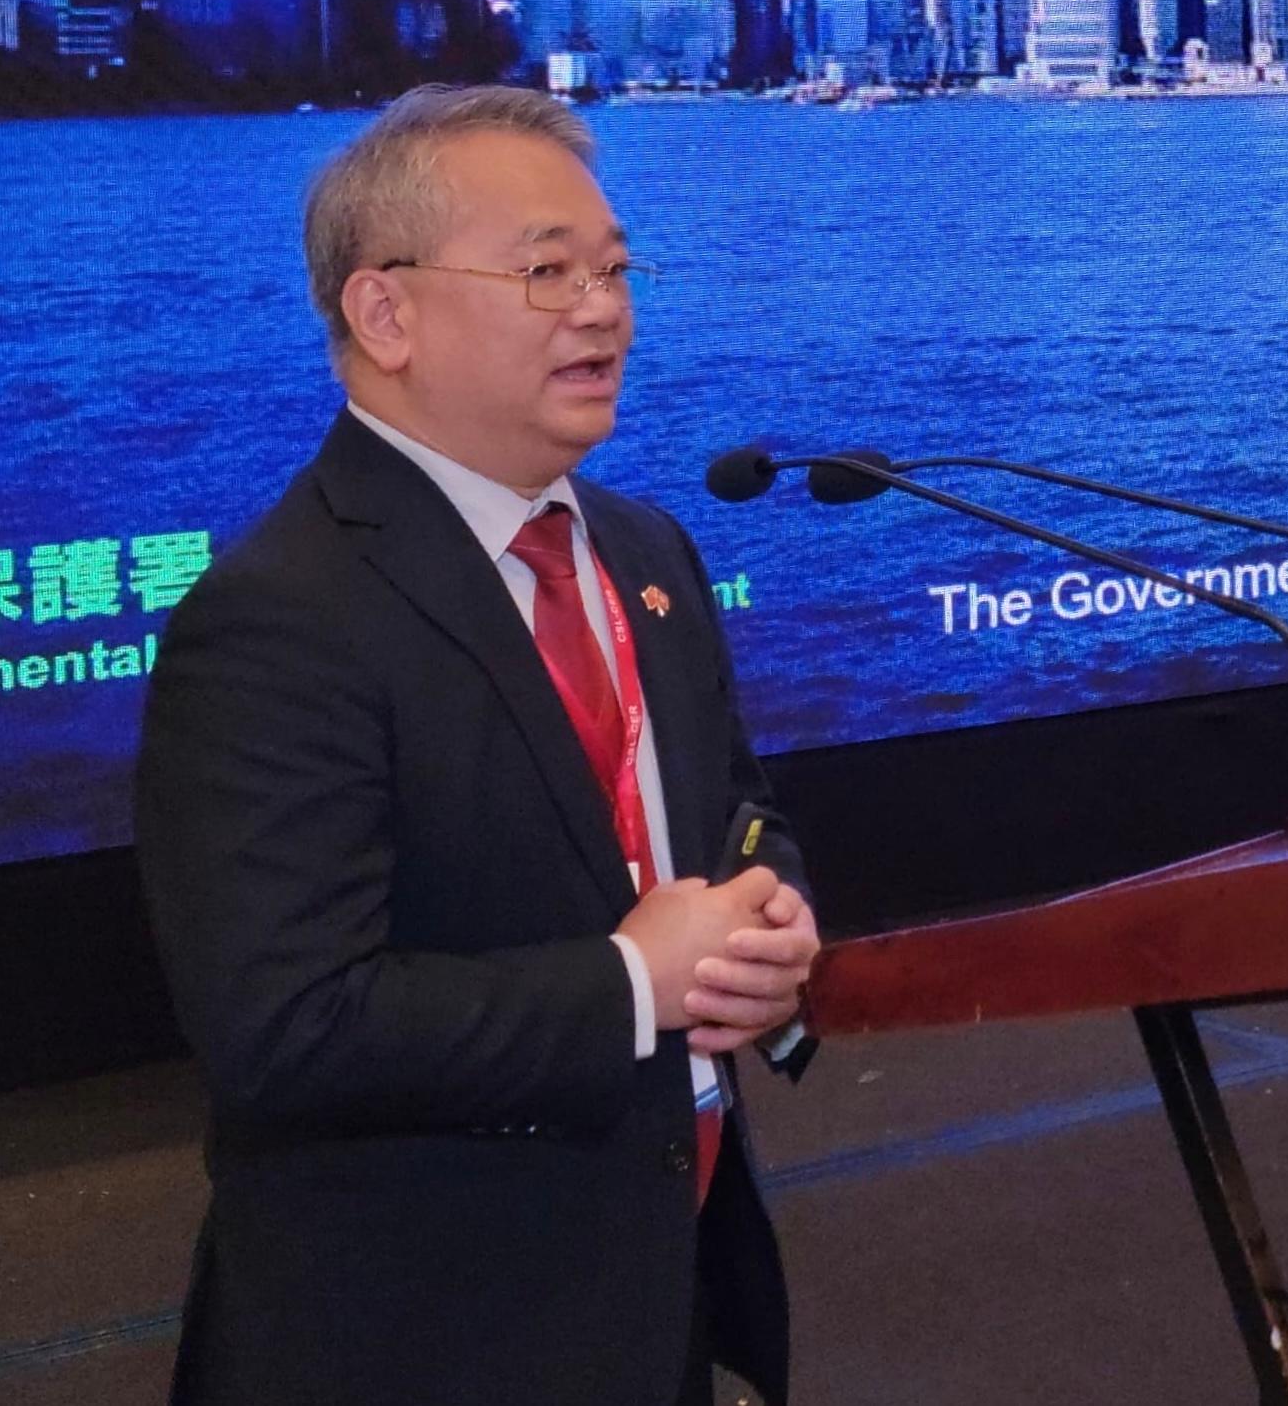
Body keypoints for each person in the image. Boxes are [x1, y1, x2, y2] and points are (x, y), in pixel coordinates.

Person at [137, 84, 820, 1406]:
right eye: (546, 272)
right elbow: (287, 1027)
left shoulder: (640, 550)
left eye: (615, 269)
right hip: (427, 1335)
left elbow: (732, 810)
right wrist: (634, 983)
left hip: (651, 1293)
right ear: (382, 313)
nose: (603, 308)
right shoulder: (281, 618)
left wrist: (771, 922)